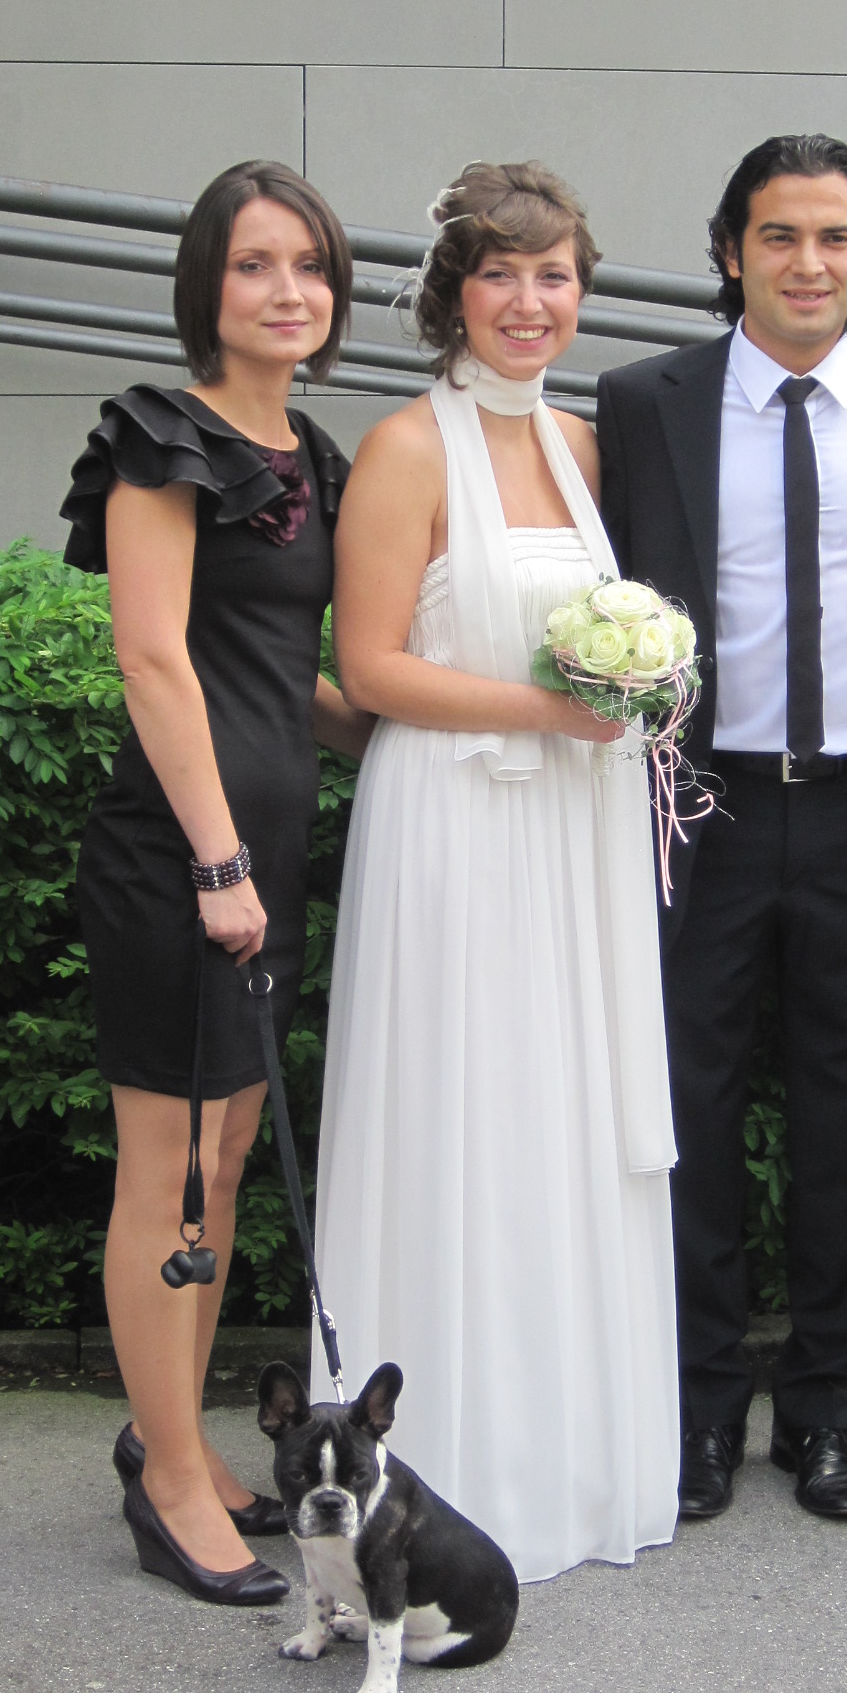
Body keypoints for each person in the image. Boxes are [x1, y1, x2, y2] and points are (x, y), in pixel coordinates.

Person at [596, 134, 847, 1523]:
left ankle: (825, 1415)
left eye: (834, 237)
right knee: (685, 1117)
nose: (808, 264)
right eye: (778, 236)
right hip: (703, 810)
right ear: (730, 250)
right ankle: (700, 1411)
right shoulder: (646, 403)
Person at [315, 161, 680, 1586]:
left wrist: (637, 691)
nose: (531, 303)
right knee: (459, 1114)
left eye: (555, 276)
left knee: (557, 1124)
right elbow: (369, 666)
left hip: (576, 835)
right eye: (502, 275)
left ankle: (569, 1458)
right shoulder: (407, 448)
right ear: (452, 294)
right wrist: (548, 709)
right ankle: (442, 1467)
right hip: (455, 829)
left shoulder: (585, 448)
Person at [62, 160, 371, 1605]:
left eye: (308, 264)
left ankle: (172, 1434)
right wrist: (219, 859)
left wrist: (420, 729)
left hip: (265, 864)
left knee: (227, 1159)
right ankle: (172, 1484)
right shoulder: (161, 437)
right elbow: (154, 658)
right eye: (255, 264)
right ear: (207, 283)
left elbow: (283, 675)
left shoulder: (315, 452)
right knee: (168, 1167)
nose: (286, 291)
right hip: (182, 862)